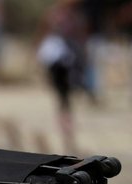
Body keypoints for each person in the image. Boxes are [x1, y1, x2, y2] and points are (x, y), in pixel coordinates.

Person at [37, 0, 92, 152]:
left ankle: (66, 121)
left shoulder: (74, 17)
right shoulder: (55, 16)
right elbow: (44, 34)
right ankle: (65, 123)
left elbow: (81, 37)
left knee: (66, 95)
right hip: (57, 61)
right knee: (62, 95)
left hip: (68, 60)